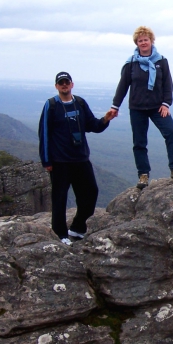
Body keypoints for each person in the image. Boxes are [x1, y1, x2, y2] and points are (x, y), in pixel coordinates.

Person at [39, 72, 114, 245]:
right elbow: (44, 133)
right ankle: (61, 234)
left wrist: (105, 119)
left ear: (72, 84)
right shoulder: (51, 105)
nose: (64, 85)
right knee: (60, 198)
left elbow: (92, 125)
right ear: (56, 86)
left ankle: (78, 228)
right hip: (60, 161)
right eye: (61, 83)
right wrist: (46, 160)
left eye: (67, 82)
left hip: (81, 159)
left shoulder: (79, 103)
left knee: (91, 192)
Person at [107, 26, 173, 189]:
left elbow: (167, 84)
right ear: (136, 43)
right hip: (137, 108)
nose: (143, 42)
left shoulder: (161, 61)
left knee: (171, 132)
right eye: (140, 40)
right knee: (139, 142)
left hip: (158, 107)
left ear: (151, 41)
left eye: (146, 39)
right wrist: (115, 106)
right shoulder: (131, 64)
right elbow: (122, 86)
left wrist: (166, 104)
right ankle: (143, 174)